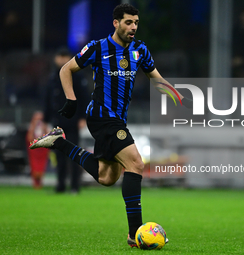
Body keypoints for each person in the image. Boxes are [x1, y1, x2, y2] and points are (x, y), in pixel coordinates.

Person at [30, 3, 190, 247]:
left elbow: (155, 78)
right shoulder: (97, 48)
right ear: (116, 23)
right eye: (128, 22)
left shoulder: (140, 50)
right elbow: (66, 69)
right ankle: (135, 234)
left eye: (136, 22)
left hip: (117, 119)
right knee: (136, 163)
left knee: (106, 177)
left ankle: (60, 143)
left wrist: (177, 95)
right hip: (102, 117)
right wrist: (71, 100)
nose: (133, 27)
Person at [43, 48, 89, 193]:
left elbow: (84, 98)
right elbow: (48, 100)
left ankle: (75, 186)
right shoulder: (52, 77)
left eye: (65, 56)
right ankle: (61, 185)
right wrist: (46, 119)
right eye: (60, 56)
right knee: (59, 156)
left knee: (74, 154)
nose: (62, 59)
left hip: (73, 121)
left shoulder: (77, 76)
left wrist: (83, 117)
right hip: (57, 121)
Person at [26, 111, 49, 189]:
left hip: (42, 150)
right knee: (35, 168)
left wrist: (44, 126)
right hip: (35, 150)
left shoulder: (44, 127)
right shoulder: (32, 127)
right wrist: (34, 125)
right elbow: (29, 139)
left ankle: (40, 182)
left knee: (41, 169)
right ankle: (35, 183)